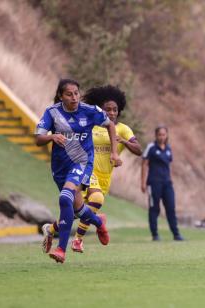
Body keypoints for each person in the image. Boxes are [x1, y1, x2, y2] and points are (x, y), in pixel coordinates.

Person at [41, 85, 143, 253]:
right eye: (107, 109)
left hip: (104, 177)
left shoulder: (123, 129)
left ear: (119, 111)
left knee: (76, 212)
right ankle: (78, 240)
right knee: (96, 199)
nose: (111, 113)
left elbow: (139, 150)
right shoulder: (92, 125)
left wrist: (123, 142)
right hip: (86, 171)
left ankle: (50, 229)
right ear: (101, 110)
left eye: (115, 110)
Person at [35, 79, 121, 263]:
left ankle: (61, 249)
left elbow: (111, 125)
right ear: (60, 96)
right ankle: (99, 222)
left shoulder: (90, 111)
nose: (74, 97)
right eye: (69, 94)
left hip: (82, 161)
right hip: (60, 166)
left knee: (65, 197)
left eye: (76, 93)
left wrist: (114, 152)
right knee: (78, 208)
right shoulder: (53, 113)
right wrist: (52, 136)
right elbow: (38, 138)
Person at [141, 126, 184, 241]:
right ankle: (155, 234)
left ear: (167, 135)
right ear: (156, 135)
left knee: (171, 208)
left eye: (164, 134)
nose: (162, 137)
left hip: (167, 183)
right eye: (159, 134)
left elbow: (168, 165)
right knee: (154, 209)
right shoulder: (151, 147)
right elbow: (144, 164)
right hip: (154, 183)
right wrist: (143, 182)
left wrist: (169, 178)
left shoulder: (168, 148)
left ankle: (176, 234)